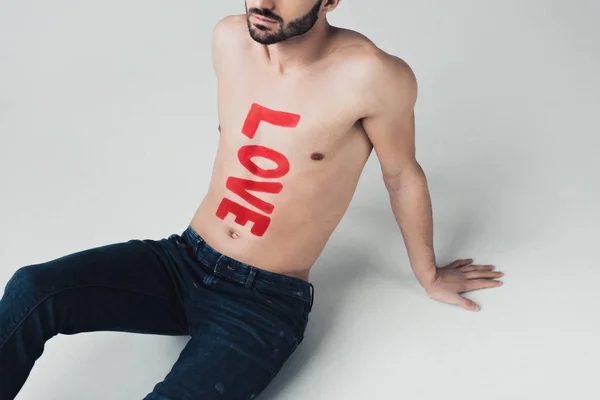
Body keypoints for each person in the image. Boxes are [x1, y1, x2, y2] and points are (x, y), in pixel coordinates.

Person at [0, 1, 505, 399]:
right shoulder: (228, 39)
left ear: (331, 0)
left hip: (262, 303)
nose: (262, 2)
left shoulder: (372, 75)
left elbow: (402, 175)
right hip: (183, 260)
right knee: (32, 289)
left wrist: (429, 274)